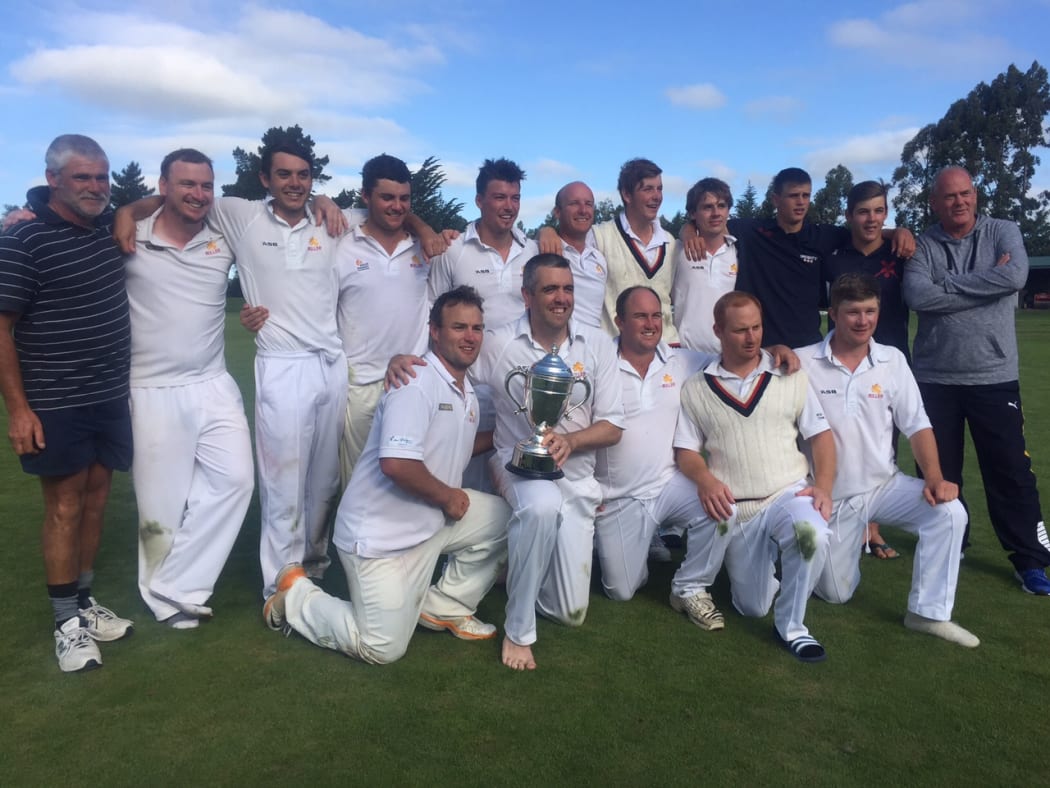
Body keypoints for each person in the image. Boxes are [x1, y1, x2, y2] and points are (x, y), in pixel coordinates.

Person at [115, 136, 349, 599]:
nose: (295, 183)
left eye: (304, 175)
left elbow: (392, 216)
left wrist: (422, 229)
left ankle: (314, 565)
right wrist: (125, 212)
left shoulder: (332, 219)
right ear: (265, 179)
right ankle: (280, 580)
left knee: (324, 479)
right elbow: (173, 198)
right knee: (283, 479)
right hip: (282, 364)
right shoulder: (238, 215)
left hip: (332, 362)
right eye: (283, 174)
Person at [263, 286, 509, 664]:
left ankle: (445, 605)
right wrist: (447, 497)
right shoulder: (415, 382)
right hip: (377, 538)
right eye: (459, 327)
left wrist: (510, 439)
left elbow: (452, 445)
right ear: (435, 330)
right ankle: (296, 595)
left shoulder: (465, 393)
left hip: (427, 522)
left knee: (506, 518)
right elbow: (396, 463)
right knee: (382, 647)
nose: (470, 337)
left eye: (477, 328)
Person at [0, 134, 134, 672]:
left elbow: (147, 203)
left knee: (98, 496)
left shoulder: (106, 228)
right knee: (64, 504)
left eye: (102, 177)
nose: (95, 188)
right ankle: (66, 625)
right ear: (53, 179)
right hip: (54, 400)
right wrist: (18, 410)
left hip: (107, 395)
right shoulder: (23, 240)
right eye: (83, 177)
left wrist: (124, 209)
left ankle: (83, 602)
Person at [800, 273, 978, 647]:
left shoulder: (892, 359)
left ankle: (927, 614)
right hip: (830, 497)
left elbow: (917, 424)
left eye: (870, 311)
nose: (863, 321)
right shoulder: (803, 363)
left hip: (885, 485)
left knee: (949, 512)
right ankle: (826, 552)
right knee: (836, 594)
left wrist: (934, 476)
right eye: (852, 312)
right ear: (833, 313)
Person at [594, 285, 799, 601]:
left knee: (723, 507)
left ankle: (690, 586)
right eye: (639, 317)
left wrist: (775, 350)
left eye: (656, 316)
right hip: (619, 495)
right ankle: (639, 546)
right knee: (620, 591)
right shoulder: (598, 363)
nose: (650, 324)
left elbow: (736, 355)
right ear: (619, 321)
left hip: (668, 482)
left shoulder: (683, 361)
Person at [903, 165, 1050, 595]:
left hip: (993, 375)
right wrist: (985, 284)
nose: (959, 202)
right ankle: (953, 543)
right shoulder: (925, 244)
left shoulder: (1003, 231)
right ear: (934, 203)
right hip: (934, 379)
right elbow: (917, 296)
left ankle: (1030, 561)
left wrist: (946, 286)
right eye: (949, 197)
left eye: (965, 193)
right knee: (939, 471)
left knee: (1010, 472)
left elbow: (1015, 276)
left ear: (976, 195)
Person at [474, 254, 624, 670]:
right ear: (527, 295)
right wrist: (405, 362)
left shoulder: (596, 344)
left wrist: (571, 441)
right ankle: (518, 632)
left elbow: (613, 426)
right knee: (540, 506)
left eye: (568, 288)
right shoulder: (499, 342)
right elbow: (454, 372)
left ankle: (517, 560)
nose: (562, 298)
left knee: (569, 612)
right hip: (516, 463)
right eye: (550, 289)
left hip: (575, 477)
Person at [125, 149, 253, 629]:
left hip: (214, 382)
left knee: (236, 481)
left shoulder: (222, 240)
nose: (199, 195)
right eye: (187, 184)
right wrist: (124, 211)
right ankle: (166, 600)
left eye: (206, 185)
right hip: (152, 388)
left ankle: (176, 585)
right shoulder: (129, 238)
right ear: (163, 186)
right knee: (160, 504)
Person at [672, 291, 834, 662]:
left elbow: (821, 437)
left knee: (812, 534)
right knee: (751, 606)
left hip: (788, 492)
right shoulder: (697, 387)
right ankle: (777, 570)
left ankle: (793, 629)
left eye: (757, 328)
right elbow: (685, 452)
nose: (751, 338)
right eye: (740, 330)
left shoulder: (788, 373)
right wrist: (706, 480)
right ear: (718, 331)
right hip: (739, 506)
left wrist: (823, 486)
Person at [680, 167, 914, 347]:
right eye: (793, 195)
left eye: (806, 195)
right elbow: (709, 222)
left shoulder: (823, 236)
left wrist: (898, 232)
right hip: (760, 347)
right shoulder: (752, 231)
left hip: (809, 347)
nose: (801, 202)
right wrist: (689, 231)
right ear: (775, 199)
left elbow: (865, 231)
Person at [826, 180, 912, 559]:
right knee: (842, 439)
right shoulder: (834, 256)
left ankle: (871, 526)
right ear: (849, 216)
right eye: (863, 211)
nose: (872, 219)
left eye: (879, 211)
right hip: (842, 362)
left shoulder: (901, 253)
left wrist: (900, 232)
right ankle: (840, 516)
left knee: (885, 443)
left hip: (888, 362)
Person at [335, 154, 430, 484]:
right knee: (359, 487)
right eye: (387, 197)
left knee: (412, 484)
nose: (397, 206)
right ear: (365, 196)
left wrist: (424, 228)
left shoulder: (425, 249)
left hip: (413, 383)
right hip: (359, 387)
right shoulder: (342, 246)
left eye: (404, 198)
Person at [428, 158, 539, 329]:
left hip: (524, 356)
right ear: (479, 201)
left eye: (515, 198)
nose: (509, 206)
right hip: (470, 356)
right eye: (500, 197)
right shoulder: (452, 250)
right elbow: (432, 312)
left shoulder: (532, 251)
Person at [591, 159, 678, 342]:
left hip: (666, 348)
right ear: (627, 195)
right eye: (648, 189)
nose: (657, 196)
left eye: (659, 188)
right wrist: (547, 231)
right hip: (616, 350)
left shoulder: (670, 242)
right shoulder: (600, 237)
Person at [671, 178, 739, 353]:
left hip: (730, 356)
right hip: (686, 356)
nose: (716, 213)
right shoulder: (676, 251)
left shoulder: (740, 252)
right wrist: (686, 231)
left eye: (722, 206)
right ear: (693, 214)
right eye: (707, 207)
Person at [549, 181, 608, 328]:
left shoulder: (599, 258)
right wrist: (545, 231)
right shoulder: (545, 251)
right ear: (557, 212)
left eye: (588, 204)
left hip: (594, 348)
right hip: (558, 347)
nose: (583, 210)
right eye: (574, 203)